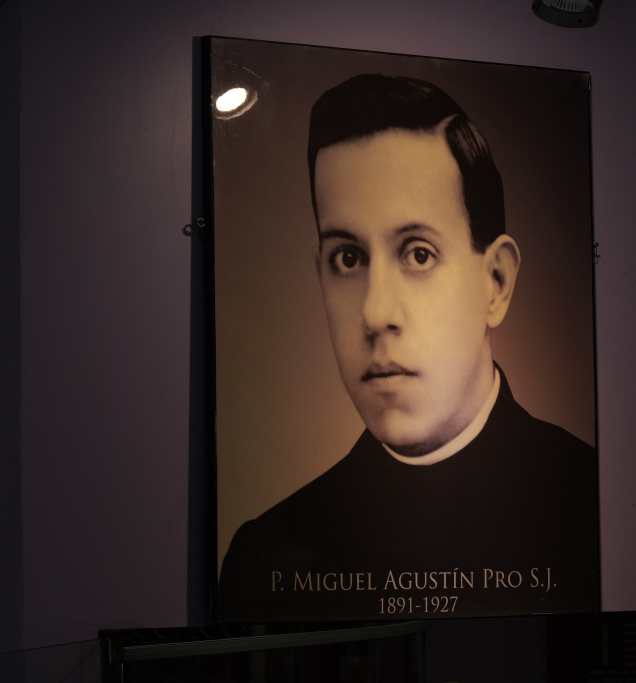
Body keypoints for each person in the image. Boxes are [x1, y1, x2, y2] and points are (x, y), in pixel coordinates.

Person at [217, 74, 599, 621]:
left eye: (418, 254)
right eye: (348, 258)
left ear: (495, 282)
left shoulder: (594, 508)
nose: (376, 314)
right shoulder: (264, 556)